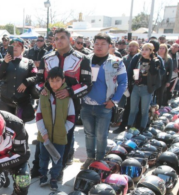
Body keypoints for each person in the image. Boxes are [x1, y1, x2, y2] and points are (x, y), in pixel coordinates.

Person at [34, 28, 92, 174]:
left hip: (70, 105)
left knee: (65, 137)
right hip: (47, 105)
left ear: (69, 39)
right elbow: (37, 81)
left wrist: (69, 92)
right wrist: (42, 90)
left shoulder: (82, 59)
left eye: (62, 38)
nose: (59, 41)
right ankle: (39, 168)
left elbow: (87, 84)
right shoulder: (46, 58)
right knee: (43, 135)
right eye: (56, 38)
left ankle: (59, 170)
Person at [81, 33, 127, 167]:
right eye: (96, 44)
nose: (99, 47)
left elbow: (123, 83)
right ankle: (90, 158)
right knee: (89, 134)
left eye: (103, 44)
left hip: (104, 106)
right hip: (86, 106)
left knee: (101, 136)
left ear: (109, 46)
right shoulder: (85, 60)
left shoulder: (116, 62)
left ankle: (99, 160)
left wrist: (114, 101)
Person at [35, 68, 75, 190]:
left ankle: (54, 178)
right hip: (44, 135)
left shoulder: (67, 97)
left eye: (58, 80)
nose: (55, 83)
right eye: (52, 81)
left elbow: (72, 117)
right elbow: (38, 116)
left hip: (60, 135)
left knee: (58, 158)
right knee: (43, 157)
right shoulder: (43, 96)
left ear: (63, 80)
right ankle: (43, 176)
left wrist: (63, 130)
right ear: (48, 81)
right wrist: (43, 132)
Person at [0, 37, 38, 122]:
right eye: (13, 45)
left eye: (18, 45)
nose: (15, 47)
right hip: (5, 101)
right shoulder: (1, 61)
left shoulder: (29, 62)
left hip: (22, 102)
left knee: (20, 128)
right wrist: (5, 62)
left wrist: (26, 82)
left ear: (22, 49)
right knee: (7, 128)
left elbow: (36, 77)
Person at [125, 43, 161, 131]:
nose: (144, 51)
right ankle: (129, 127)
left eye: (147, 50)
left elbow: (154, 73)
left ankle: (142, 128)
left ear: (151, 51)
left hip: (146, 89)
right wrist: (134, 78)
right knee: (133, 110)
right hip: (136, 87)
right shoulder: (138, 60)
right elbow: (133, 71)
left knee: (144, 111)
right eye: (143, 49)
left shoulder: (155, 61)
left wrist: (151, 60)